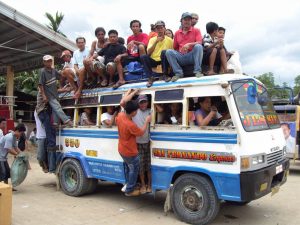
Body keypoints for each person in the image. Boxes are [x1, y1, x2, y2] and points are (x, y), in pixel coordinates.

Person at [116, 92, 151, 196]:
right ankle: (129, 190)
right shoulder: (130, 125)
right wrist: (146, 122)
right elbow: (141, 132)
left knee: (128, 167)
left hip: (121, 148)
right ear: (134, 112)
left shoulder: (120, 115)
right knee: (134, 169)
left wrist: (131, 92)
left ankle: (127, 184)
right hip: (130, 151)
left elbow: (122, 102)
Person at [165, 12, 204, 82]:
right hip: (181, 57)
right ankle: (178, 73)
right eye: (185, 20)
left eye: (189, 20)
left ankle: (197, 71)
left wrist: (189, 44)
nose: (187, 21)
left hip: (192, 56)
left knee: (198, 46)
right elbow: (175, 47)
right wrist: (180, 51)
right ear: (181, 21)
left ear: (191, 21)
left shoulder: (196, 30)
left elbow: (200, 42)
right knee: (168, 52)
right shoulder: (177, 33)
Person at [38, 55, 73, 126]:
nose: (49, 63)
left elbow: (61, 76)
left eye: (50, 61)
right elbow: (40, 85)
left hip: (55, 93)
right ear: (44, 62)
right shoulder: (43, 72)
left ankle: (55, 123)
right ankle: (66, 120)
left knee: (55, 109)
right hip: (49, 94)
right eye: (47, 61)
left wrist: (68, 80)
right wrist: (44, 96)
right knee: (57, 107)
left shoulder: (54, 70)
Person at [140, 20, 174, 87]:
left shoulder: (170, 40)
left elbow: (172, 53)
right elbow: (148, 53)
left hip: (164, 60)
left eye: (161, 28)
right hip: (154, 60)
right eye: (158, 28)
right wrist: (156, 42)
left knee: (164, 52)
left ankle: (165, 75)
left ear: (164, 28)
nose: (160, 30)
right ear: (155, 30)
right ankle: (150, 77)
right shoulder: (152, 39)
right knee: (143, 57)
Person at [36, 88, 57, 173]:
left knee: (49, 150)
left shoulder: (48, 112)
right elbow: (41, 89)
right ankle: (44, 165)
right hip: (41, 136)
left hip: (46, 136)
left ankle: (49, 166)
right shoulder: (39, 111)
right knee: (41, 156)